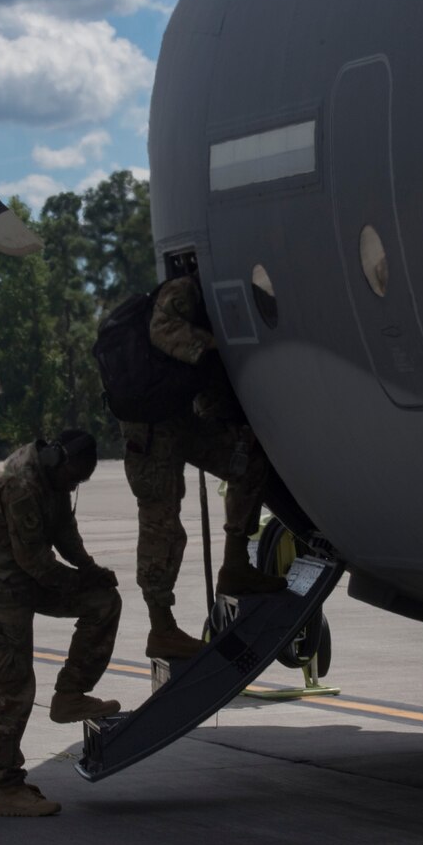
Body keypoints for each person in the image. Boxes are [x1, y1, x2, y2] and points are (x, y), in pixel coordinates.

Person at [120, 273, 285, 661]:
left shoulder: (215, 295)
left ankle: (235, 563)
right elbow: (163, 331)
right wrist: (214, 351)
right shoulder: (186, 288)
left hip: (177, 417)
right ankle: (161, 628)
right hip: (148, 427)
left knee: (247, 462)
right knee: (162, 522)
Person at [0, 429, 122, 818]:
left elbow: (64, 531)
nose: (71, 486)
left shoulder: (56, 474)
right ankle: (6, 787)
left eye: (77, 483)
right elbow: (35, 562)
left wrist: (90, 570)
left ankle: (70, 693)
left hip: (29, 579)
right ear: (56, 461)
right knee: (12, 682)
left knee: (103, 603)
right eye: (70, 479)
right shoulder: (20, 485)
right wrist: (78, 579)